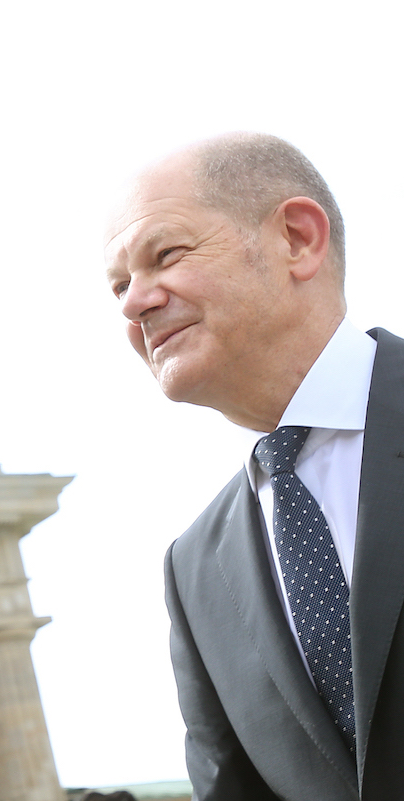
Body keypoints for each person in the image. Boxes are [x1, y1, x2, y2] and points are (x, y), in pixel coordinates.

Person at [104, 132, 404, 800]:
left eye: (166, 255)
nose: (132, 303)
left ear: (298, 239)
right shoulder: (194, 570)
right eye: (120, 284)